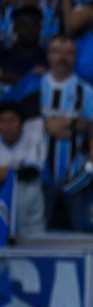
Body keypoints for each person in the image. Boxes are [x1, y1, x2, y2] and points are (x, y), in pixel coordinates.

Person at [1, 35, 93, 185]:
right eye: (57, 51)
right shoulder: (32, 85)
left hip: (76, 175)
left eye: (69, 53)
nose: (62, 57)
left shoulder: (87, 91)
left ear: (75, 57)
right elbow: (13, 117)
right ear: (48, 55)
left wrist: (70, 123)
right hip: (36, 177)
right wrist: (45, 127)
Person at [0, 100, 45, 236]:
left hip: (30, 210)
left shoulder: (33, 137)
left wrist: (6, 172)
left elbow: (32, 171)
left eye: (12, 120)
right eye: (3, 121)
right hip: (3, 209)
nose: (8, 126)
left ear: (21, 122)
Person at [0, 5, 47, 89]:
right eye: (23, 25)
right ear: (15, 28)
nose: (29, 29)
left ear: (40, 27)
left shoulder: (47, 56)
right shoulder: (4, 54)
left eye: (33, 24)